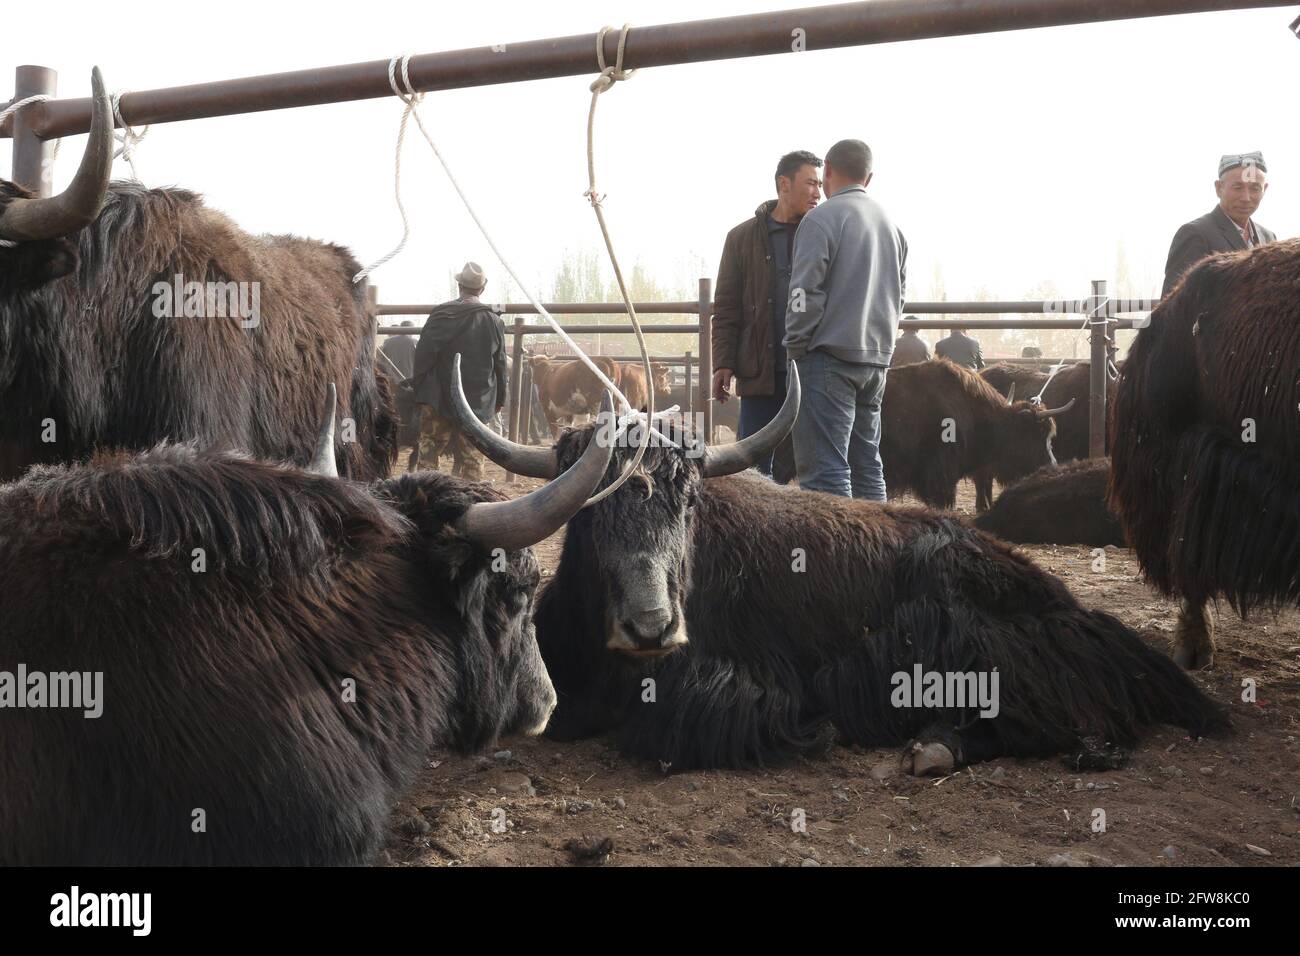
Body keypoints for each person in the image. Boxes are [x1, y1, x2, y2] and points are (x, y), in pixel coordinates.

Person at [783, 139, 906, 501]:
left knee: (826, 470)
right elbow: (899, 296)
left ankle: (838, 559)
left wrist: (795, 346)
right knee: (868, 464)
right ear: (869, 177)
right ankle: (880, 554)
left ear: (830, 172)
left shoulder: (821, 219)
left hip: (827, 360)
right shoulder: (892, 227)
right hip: (876, 362)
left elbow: (804, 293)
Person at [712, 150, 823, 475]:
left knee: (816, 463)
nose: (818, 192)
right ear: (783, 184)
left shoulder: (823, 234)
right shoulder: (741, 238)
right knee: (751, 466)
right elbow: (727, 306)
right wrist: (724, 362)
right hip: (761, 370)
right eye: (811, 183)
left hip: (812, 367)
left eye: (820, 184)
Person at [410, 262, 507, 480]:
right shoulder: (494, 321)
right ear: (482, 289)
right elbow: (500, 365)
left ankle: (425, 501)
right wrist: (500, 399)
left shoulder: (440, 314)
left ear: (459, 286)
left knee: (429, 454)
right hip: (477, 402)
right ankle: (471, 503)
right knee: (473, 458)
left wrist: (420, 391)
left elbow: (423, 356)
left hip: (438, 398)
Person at [1162, 152, 1276, 297]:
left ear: (1264, 189)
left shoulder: (1268, 237)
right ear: (1218, 188)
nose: (1246, 198)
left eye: (1255, 188)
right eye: (1238, 187)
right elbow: (1173, 305)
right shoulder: (1195, 234)